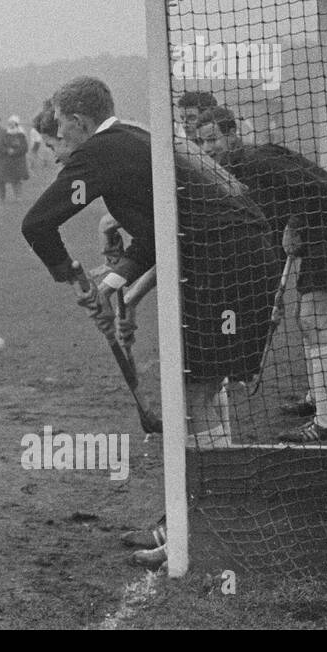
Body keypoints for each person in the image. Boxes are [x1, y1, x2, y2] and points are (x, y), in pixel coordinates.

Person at [21, 77, 279, 569]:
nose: (57, 145)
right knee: (204, 388)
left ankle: (203, 530)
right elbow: (162, 230)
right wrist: (116, 287)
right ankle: (200, 519)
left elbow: (37, 223)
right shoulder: (133, 139)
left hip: (221, 262)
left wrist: (74, 277)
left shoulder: (100, 151)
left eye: (57, 129)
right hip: (237, 256)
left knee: (194, 393)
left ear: (76, 122)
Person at [195, 106, 327, 442]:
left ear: (232, 135)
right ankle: (319, 398)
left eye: (213, 139)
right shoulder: (235, 169)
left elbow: (313, 189)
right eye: (201, 143)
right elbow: (272, 224)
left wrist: (296, 225)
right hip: (320, 232)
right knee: (316, 320)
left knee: (311, 320)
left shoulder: (254, 161)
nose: (207, 148)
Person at [0, 115, 31, 201]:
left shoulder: (21, 135)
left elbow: (25, 148)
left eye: (12, 123)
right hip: (7, 161)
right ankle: (2, 198)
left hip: (19, 161)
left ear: (16, 124)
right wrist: (7, 150)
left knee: (17, 180)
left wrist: (15, 152)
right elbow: (1, 147)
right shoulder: (5, 134)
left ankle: (18, 196)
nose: (11, 125)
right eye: (9, 123)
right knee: (5, 179)